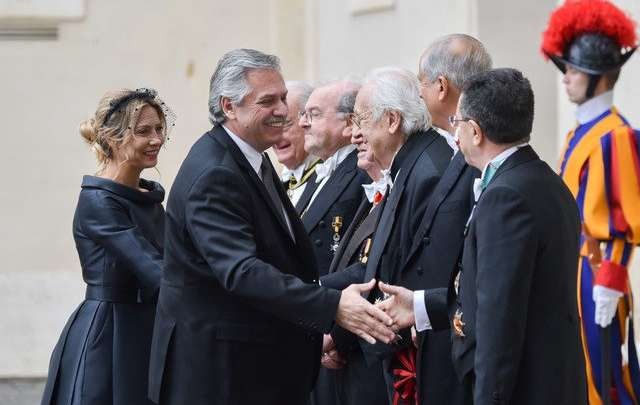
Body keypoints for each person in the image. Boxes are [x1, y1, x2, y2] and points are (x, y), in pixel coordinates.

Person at [147, 49, 395, 405]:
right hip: (220, 376)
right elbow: (242, 271)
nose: (282, 110)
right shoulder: (216, 172)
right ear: (229, 107)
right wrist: (332, 305)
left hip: (252, 367)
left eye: (282, 98)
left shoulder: (249, 157)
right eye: (267, 101)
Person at [378, 68, 586, 404]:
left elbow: (498, 320)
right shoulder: (545, 180)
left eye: (457, 121)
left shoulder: (505, 197)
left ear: (475, 131)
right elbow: (498, 293)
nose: (454, 132)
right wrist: (420, 305)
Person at [541, 1, 640, 403]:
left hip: (596, 273)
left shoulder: (617, 136)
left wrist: (611, 280)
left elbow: (629, 220)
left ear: (599, 77)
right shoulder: (578, 133)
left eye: (574, 70)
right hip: (569, 269)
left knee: (602, 376)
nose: (566, 78)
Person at [41, 88, 172, 405]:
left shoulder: (148, 198)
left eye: (159, 129)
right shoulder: (99, 201)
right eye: (143, 131)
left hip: (146, 329)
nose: (156, 139)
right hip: (109, 336)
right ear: (113, 139)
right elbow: (156, 271)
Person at [396, 33, 490, 404]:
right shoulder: (454, 149)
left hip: (458, 331)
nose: (418, 94)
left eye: (421, 83)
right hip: (435, 322)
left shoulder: (479, 153)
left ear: (440, 86)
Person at [355, 66, 452, 403]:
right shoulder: (410, 163)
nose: (356, 132)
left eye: (361, 119)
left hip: (420, 356)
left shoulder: (428, 171)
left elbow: (425, 271)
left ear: (392, 121)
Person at [321, 123, 390, 405]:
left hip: (373, 358)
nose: (355, 135)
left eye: (365, 123)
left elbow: (370, 272)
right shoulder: (373, 193)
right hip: (350, 356)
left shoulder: (398, 191)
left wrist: (313, 289)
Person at [299, 80, 369, 277]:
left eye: (314, 114)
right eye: (303, 114)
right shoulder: (318, 171)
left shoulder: (364, 170)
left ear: (349, 123)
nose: (302, 123)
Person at [272, 80, 322, 209]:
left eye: (285, 124)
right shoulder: (277, 183)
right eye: (271, 126)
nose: (275, 137)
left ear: (309, 121)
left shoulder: (329, 175)